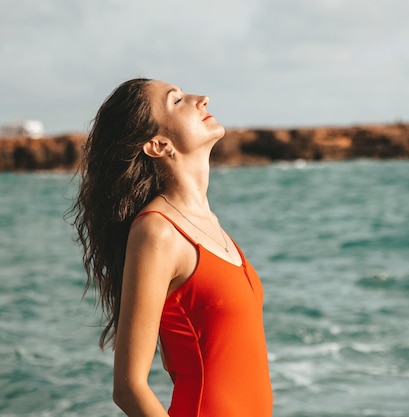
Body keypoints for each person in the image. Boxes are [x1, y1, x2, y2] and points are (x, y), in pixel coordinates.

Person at [69, 78, 273, 416]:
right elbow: (129, 387)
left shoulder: (208, 222)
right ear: (159, 145)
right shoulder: (157, 232)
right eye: (177, 101)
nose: (201, 99)